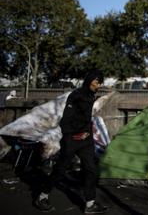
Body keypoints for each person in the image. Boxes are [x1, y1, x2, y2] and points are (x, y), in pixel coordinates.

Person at [34, 70, 108, 214]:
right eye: (97, 82)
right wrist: (71, 136)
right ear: (90, 80)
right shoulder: (76, 95)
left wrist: (87, 133)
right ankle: (42, 196)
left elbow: (85, 118)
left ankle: (90, 204)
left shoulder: (92, 96)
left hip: (86, 140)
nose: (98, 86)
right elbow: (66, 120)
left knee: (91, 169)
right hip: (72, 140)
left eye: (100, 83)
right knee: (61, 170)